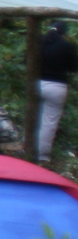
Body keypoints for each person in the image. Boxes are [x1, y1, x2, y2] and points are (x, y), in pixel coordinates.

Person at [41, 22, 76, 163]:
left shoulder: (39, 42)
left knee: (34, 117)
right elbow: (74, 67)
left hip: (36, 84)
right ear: (64, 33)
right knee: (49, 121)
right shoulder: (67, 46)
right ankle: (41, 155)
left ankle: (26, 147)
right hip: (56, 86)